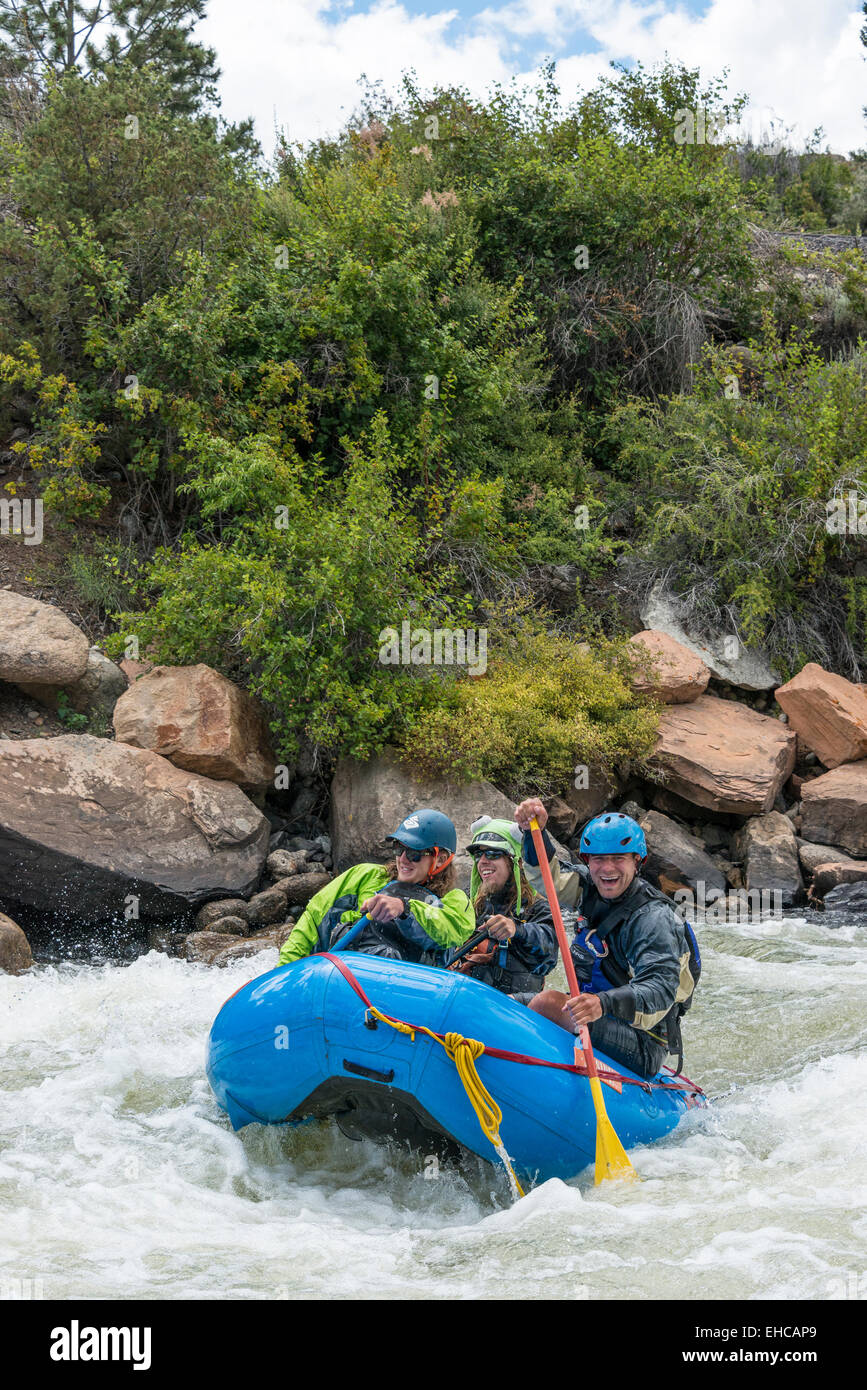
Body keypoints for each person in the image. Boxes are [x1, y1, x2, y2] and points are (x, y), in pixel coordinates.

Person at [513, 798, 699, 1079]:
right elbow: (547, 878)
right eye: (599, 859)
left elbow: (660, 989)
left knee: (547, 1004)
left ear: (638, 862)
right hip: (594, 1010)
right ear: (588, 861)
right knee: (506, 1001)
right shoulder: (590, 889)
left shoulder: (653, 919)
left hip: (643, 1039)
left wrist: (603, 1003)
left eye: (618, 859)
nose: (607, 869)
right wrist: (532, 831)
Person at [278, 809, 475, 965]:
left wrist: (404, 908)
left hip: (405, 988)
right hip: (348, 972)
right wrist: (285, 969)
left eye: (415, 853)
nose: (403, 859)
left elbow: (452, 930)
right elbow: (314, 919)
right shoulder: (365, 876)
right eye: (399, 848)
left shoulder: (454, 900)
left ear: (440, 859)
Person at [445, 817, 557, 998]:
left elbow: (549, 948)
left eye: (492, 854)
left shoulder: (539, 908)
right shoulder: (469, 899)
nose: (482, 861)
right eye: (478, 855)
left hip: (511, 1005)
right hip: (466, 995)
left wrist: (517, 930)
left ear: (516, 861)